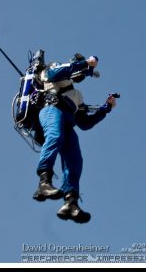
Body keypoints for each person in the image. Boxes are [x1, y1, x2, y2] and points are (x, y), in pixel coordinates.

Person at [32, 53, 117, 223]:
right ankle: (44, 183)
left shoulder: (76, 94)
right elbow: (58, 73)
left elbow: (85, 123)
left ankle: (71, 202)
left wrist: (106, 108)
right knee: (55, 137)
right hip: (52, 110)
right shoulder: (52, 69)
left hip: (68, 120)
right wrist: (86, 63)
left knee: (75, 160)